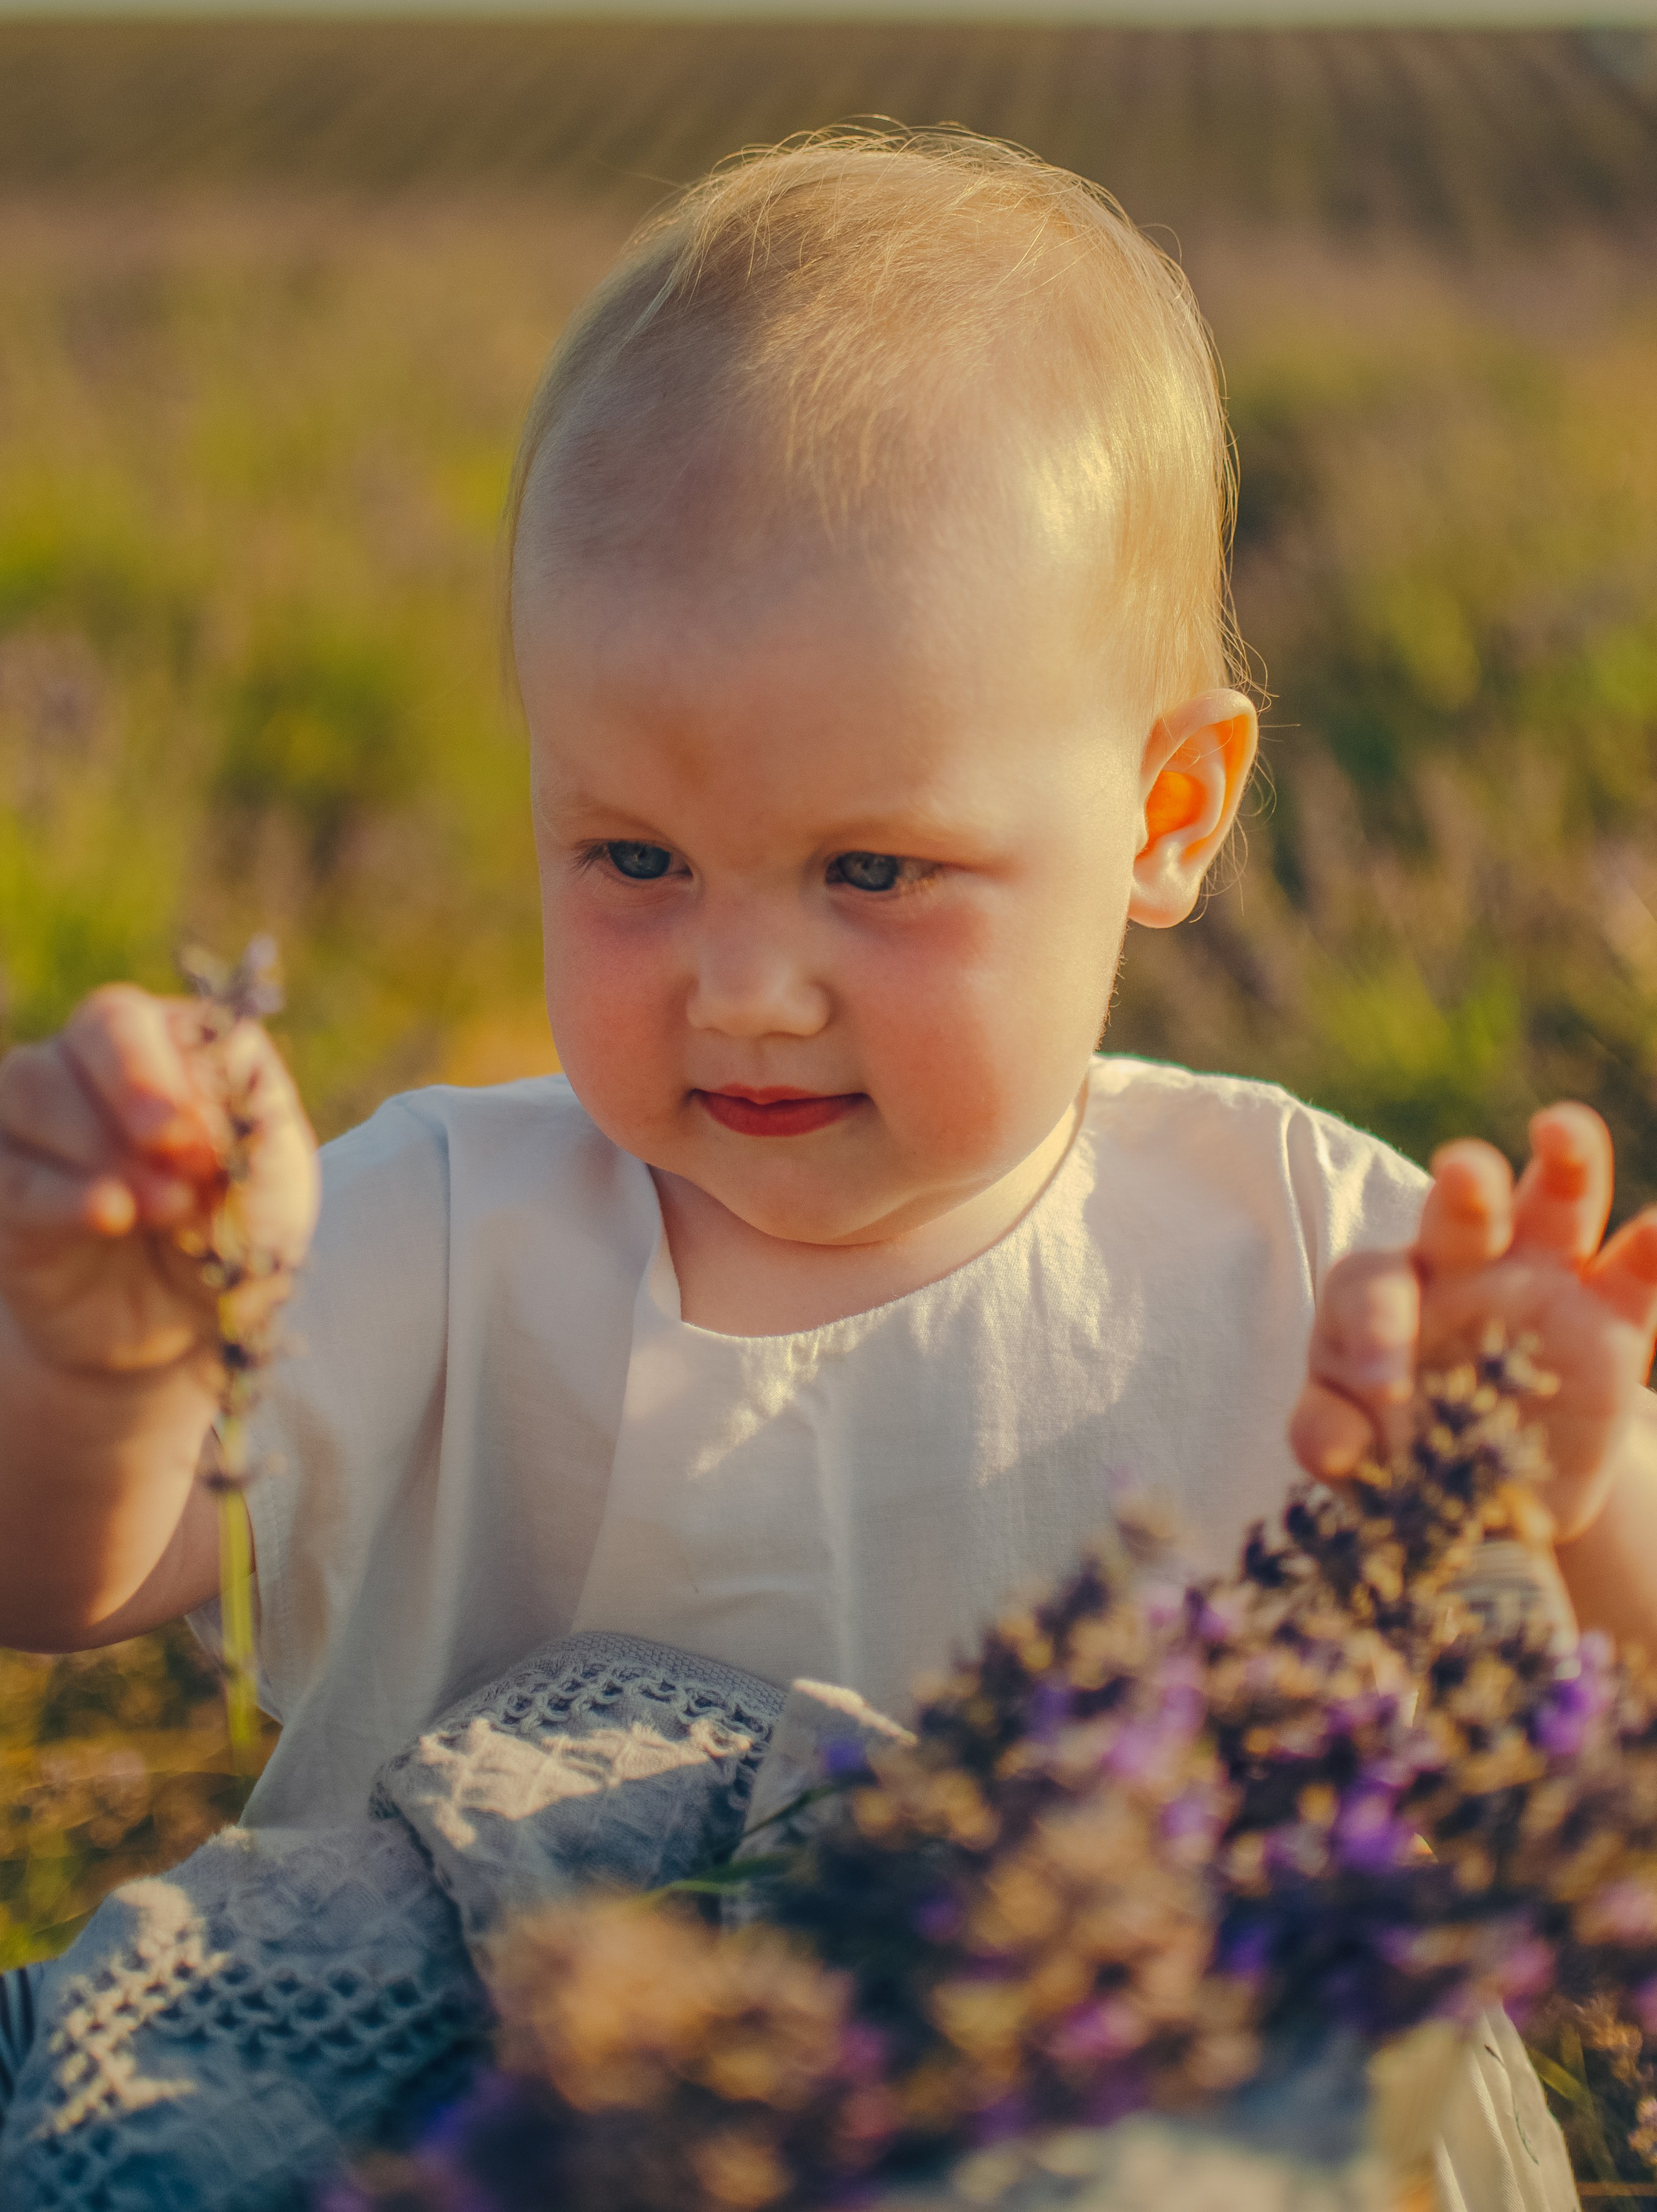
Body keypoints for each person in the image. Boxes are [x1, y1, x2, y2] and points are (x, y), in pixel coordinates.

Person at [2, 130, 1655, 1838]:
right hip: (472, 2076)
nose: (748, 990)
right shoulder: (437, 1228)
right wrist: (112, 1375)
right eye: (636, 858)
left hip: (1114, 2063)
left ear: (1166, 817)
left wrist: (1575, 1504)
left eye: (872, 870)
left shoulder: (1306, 1250)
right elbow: (69, 1580)